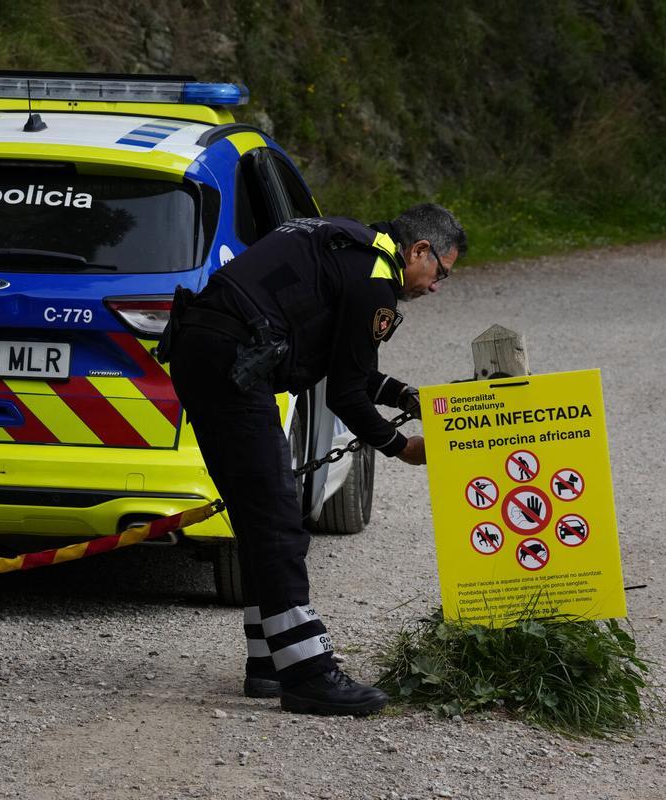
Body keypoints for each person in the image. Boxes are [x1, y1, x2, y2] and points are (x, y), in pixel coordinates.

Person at [166, 203, 466, 715]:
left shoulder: (347, 246)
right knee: (280, 517)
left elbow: (342, 364)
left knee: (261, 517)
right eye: (440, 272)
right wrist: (402, 448)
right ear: (420, 251)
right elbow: (345, 394)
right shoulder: (376, 279)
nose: (435, 286)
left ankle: (269, 662)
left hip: (203, 347)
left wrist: (407, 397)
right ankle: (308, 674)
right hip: (230, 361)